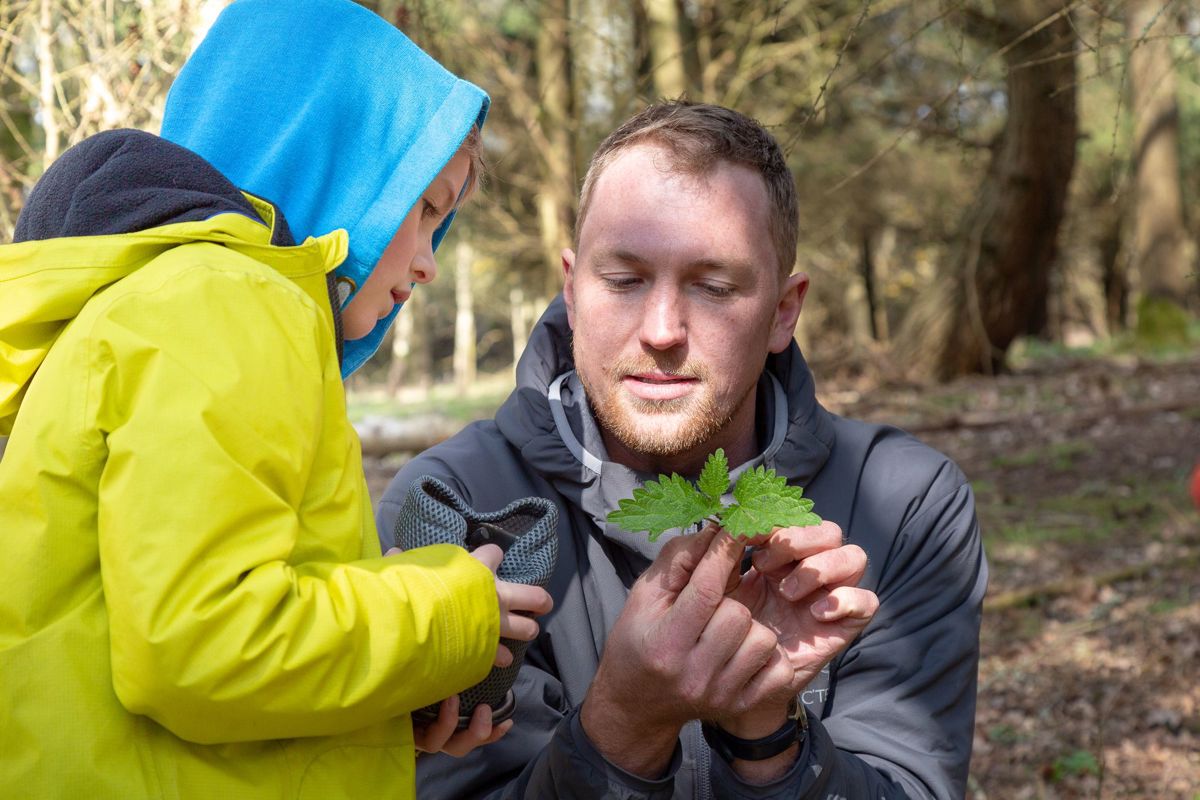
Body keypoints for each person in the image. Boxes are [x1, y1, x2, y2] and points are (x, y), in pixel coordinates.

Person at [0, 0, 551, 796]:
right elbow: (203, 647)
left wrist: (375, 711)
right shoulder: (227, 303)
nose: (429, 262)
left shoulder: (172, 302)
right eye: (425, 207)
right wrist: (450, 616)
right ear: (331, 164)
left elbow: (171, 670)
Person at [377, 100, 989, 798]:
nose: (662, 330)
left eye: (714, 287)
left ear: (783, 311)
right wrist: (623, 723)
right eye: (624, 281)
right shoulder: (454, 508)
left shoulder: (907, 505)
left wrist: (767, 735)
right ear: (571, 291)